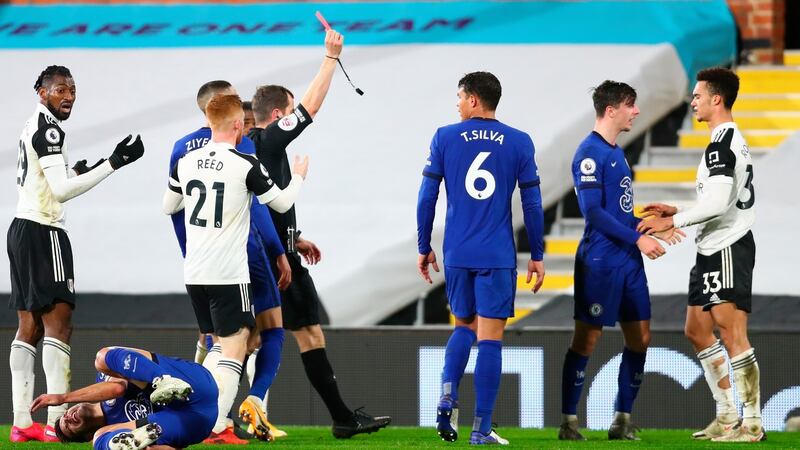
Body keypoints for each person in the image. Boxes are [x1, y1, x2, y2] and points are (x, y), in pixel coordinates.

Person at [248, 28, 391, 439]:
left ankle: (231, 417)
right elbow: (310, 108)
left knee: (249, 336)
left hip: (274, 251)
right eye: (288, 112)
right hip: (276, 261)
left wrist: (295, 237)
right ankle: (339, 418)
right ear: (278, 115)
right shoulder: (269, 142)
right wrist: (330, 59)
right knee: (291, 334)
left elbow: (265, 207)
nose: (294, 119)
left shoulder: (253, 149)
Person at [8, 65, 145, 443]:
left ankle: (22, 422)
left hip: (22, 229)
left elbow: (52, 179)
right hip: (44, 231)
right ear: (41, 92)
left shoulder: (34, 124)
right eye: (59, 90)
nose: (68, 96)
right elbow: (63, 191)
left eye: (72, 89)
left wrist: (81, 168)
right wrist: (112, 163)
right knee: (59, 326)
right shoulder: (49, 129)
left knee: (29, 328)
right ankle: (54, 420)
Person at [162, 95, 308, 445]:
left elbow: (170, 205)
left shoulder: (187, 161)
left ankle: (189, 397)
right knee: (237, 346)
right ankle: (211, 427)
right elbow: (283, 202)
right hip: (229, 272)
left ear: (209, 124)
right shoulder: (245, 164)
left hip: (194, 273)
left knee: (217, 344)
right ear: (239, 125)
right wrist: (299, 176)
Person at [417, 71, 546, 445]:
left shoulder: (444, 137)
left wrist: (424, 246)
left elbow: (427, 198)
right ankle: (481, 428)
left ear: (473, 99)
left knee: (463, 327)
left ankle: (446, 396)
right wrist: (536, 254)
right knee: (490, 338)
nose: (456, 104)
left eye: (459, 97)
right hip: (496, 252)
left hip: (457, 251)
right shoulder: (519, 141)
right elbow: (532, 203)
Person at [637, 67, 763, 442]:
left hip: (727, 244)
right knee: (696, 330)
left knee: (731, 331)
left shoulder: (722, 144)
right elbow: (714, 199)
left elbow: (720, 202)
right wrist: (676, 211)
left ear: (716, 99)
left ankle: (752, 422)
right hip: (712, 245)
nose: (693, 101)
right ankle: (726, 416)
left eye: (697, 95)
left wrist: (675, 223)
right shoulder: (723, 140)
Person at [558, 80, 685, 442]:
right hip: (600, 261)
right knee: (587, 340)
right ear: (611, 110)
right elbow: (593, 213)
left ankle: (622, 420)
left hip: (628, 261)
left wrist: (649, 228)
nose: (637, 111)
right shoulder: (589, 153)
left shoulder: (616, 151)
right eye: (631, 104)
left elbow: (618, 210)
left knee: (641, 338)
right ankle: (568, 422)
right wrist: (638, 237)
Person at [30, 346, 216, 450]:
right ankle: (116, 446)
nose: (67, 418)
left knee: (102, 358)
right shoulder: (111, 431)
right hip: (191, 421)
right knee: (100, 440)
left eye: (65, 415)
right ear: (83, 435)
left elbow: (117, 388)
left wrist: (64, 397)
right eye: (68, 426)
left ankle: (162, 379)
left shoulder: (104, 381)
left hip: (191, 384)